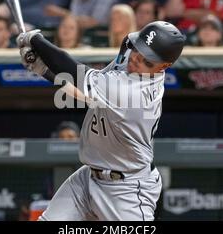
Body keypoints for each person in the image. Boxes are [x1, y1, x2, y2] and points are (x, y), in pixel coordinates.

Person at [16, 20, 186, 220]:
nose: (136, 60)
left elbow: (77, 73)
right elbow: (86, 93)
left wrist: (36, 39)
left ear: (164, 66)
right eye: (137, 51)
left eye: (147, 61)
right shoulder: (130, 58)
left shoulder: (135, 92)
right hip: (88, 179)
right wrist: (44, 71)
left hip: (126, 190)